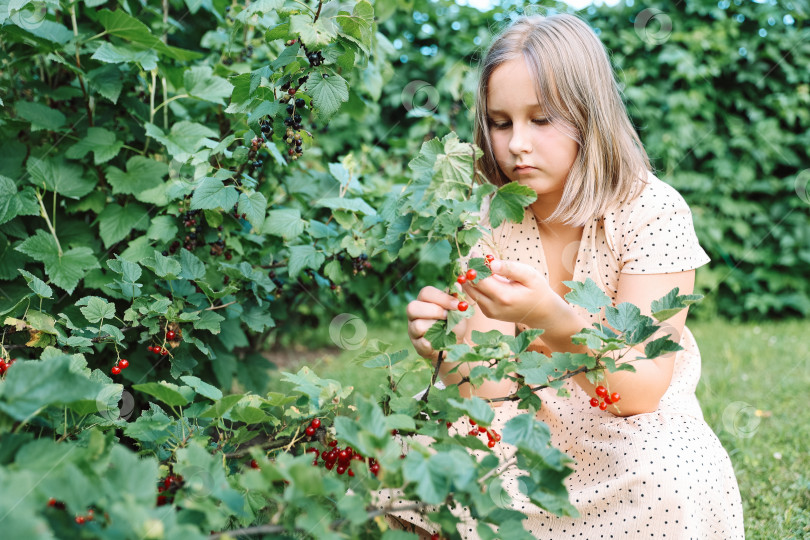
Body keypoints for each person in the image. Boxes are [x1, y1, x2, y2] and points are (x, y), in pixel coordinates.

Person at [390, 12, 744, 540]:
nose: (517, 145)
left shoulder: (652, 212)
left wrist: (552, 320)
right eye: (501, 122)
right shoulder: (490, 217)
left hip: (622, 423)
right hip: (523, 415)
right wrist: (445, 353)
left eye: (542, 118)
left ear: (589, 114)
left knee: (670, 478)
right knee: (415, 445)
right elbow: (491, 387)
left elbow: (640, 391)